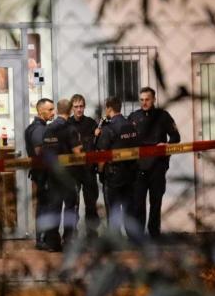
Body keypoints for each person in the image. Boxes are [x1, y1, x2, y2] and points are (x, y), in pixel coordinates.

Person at [128, 87, 180, 239]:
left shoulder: (163, 116)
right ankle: (138, 236)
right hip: (138, 167)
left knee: (155, 202)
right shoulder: (133, 117)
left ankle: (154, 234)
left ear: (154, 99)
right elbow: (125, 139)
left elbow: (176, 137)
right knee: (138, 203)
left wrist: (166, 145)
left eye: (147, 99)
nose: (144, 102)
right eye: (142, 99)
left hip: (157, 166)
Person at [96, 96, 143, 243]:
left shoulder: (108, 128)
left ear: (109, 108)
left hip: (113, 175)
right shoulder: (131, 125)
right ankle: (134, 237)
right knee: (130, 208)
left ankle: (115, 239)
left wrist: (100, 171)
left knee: (113, 208)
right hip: (130, 174)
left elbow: (103, 155)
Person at [41, 99, 84, 250]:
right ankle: (69, 240)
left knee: (54, 208)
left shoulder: (48, 129)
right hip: (69, 176)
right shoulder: (70, 129)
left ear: (58, 111)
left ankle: (52, 243)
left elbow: (43, 152)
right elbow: (77, 152)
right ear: (71, 110)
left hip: (53, 175)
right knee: (70, 208)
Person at [67, 94, 101, 239]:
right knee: (72, 205)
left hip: (88, 170)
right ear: (71, 108)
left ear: (84, 107)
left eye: (81, 106)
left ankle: (92, 235)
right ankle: (70, 236)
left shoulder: (91, 123)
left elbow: (98, 144)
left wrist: (97, 135)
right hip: (72, 171)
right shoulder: (66, 124)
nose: (79, 109)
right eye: (76, 107)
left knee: (91, 205)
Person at [25, 98, 55, 250]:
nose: (53, 112)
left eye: (53, 109)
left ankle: (42, 239)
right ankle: (42, 240)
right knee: (45, 207)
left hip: (40, 173)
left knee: (44, 206)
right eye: (50, 110)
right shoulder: (39, 129)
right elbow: (39, 150)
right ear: (40, 111)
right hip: (43, 174)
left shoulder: (37, 127)